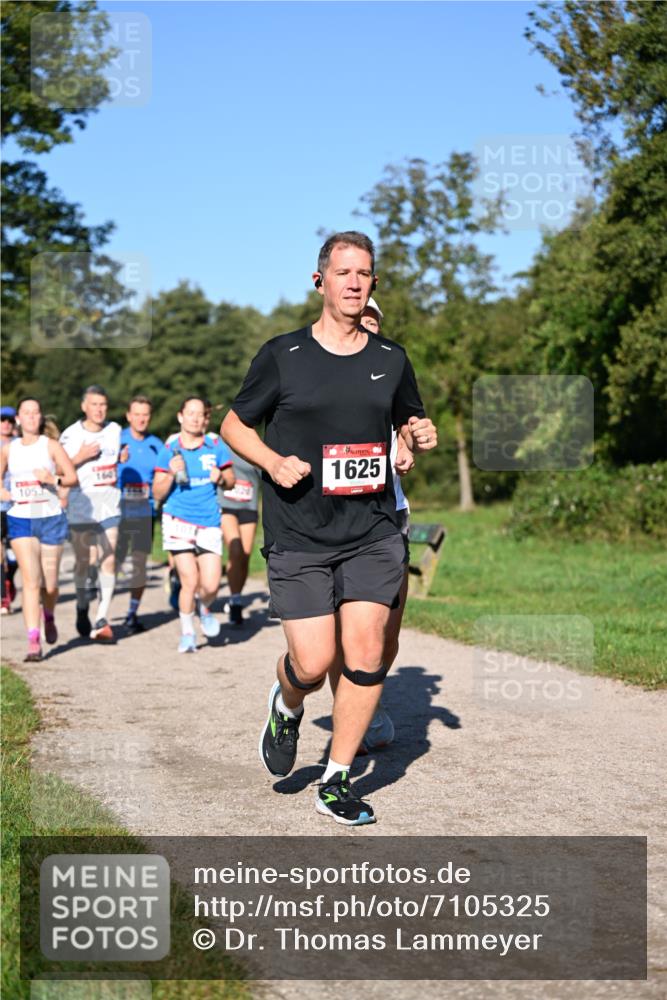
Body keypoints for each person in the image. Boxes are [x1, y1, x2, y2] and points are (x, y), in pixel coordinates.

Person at [222, 230, 437, 826]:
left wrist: (417, 434)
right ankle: (287, 705)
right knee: (314, 663)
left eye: (363, 273)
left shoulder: (390, 358)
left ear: (372, 283)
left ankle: (337, 779)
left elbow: (408, 419)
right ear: (321, 281)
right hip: (300, 532)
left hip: (371, 529)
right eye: (343, 272)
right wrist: (270, 460)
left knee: (367, 651)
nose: (353, 282)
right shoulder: (282, 354)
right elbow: (234, 426)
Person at [328, 296, 416, 754]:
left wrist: (409, 443)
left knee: (387, 632)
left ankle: (368, 701)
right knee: (342, 632)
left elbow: (411, 423)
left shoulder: (393, 372)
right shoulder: (323, 373)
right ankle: (349, 712)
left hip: (390, 515)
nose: (366, 324)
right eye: (360, 318)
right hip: (334, 522)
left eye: (373, 320)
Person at [153, 397, 235, 653]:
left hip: (209, 520)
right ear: (181, 417)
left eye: (200, 414)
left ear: (206, 418)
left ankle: (204, 607)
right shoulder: (170, 450)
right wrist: (169, 472)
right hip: (178, 520)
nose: (195, 418)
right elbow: (157, 493)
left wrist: (221, 477)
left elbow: (231, 481)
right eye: (190, 413)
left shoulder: (214, 445)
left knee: (210, 584)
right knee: (189, 580)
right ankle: (187, 633)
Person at [0, 398, 77, 661]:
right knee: (31, 581)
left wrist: (50, 479)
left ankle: (49, 615)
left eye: (36, 412)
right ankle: (33, 640)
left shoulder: (51, 446)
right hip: (21, 517)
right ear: (19, 419)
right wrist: (3, 491)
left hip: (50, 516)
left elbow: (71, 478)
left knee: (51, 584)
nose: (32, 417)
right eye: (26, 413)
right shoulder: (9, 449)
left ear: (41, 417)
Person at [60, 385, 122, 642]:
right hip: (81, 506)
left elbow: (116, 458)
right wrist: (80, 456)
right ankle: (82, 605)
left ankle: (102, 616)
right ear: (84, 406)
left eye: (103, 405)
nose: (99, 409)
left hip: (109, 505)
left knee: (108, 558)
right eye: (94, 404)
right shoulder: (70, 435)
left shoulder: (115, 430)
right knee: (85, 563)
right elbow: (59, 469)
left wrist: (123, 457)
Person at [116, 395, 163, 633]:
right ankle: (99, 611)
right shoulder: (116, 441)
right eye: (137, 414)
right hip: (116, 512)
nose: (141, 419)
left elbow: (164, 478)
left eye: (145, 414)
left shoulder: (157, 444)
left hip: (145, 512)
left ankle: (132, 614)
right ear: (128, 416)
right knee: (110, 561)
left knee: (139, 564)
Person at [218, 449, 261, 626]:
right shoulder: (220, 445)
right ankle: (235, 602)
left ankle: (237, 595)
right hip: (225, 504)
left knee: (245, 554)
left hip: (248, 506)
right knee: (235, 551)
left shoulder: (255, 446)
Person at [1, 405, 19, 614]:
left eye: (9, 420)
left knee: (15, 556)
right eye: (2, 419)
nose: (6, 423)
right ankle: (3, 598)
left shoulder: (21, 445)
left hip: (18, 507)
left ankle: (9, 579)